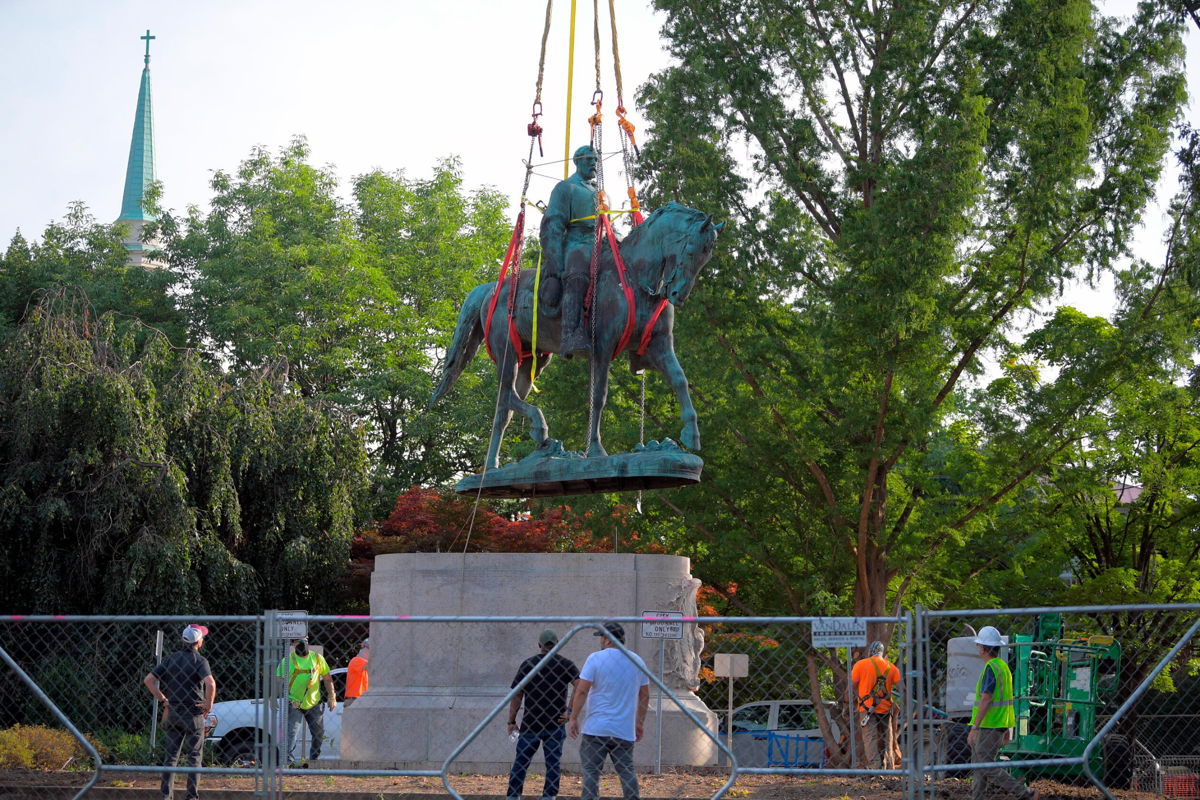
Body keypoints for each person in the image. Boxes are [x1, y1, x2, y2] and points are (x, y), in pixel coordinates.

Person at [567, 622, 649, 800]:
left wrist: (573, 717)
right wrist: (639, 721)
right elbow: (644, 695)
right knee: (626, 771)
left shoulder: (595, 659)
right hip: (623, 730)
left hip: (596, 728)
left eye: (602, 637)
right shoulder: (637, 661)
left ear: (606, 639)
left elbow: (582, 690)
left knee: (591, 772)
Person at [143, 623, 216, 800]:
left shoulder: (171, 659)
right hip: (193, 714)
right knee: (194, 757)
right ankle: (191, 797)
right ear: (198, 642)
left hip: (173, 712)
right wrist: (208, 704)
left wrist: (163, 699)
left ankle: (166, 796)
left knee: (171, 758)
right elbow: (210, 683)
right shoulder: (200, 661)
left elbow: (149, 680)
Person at [539, 144, 600, 355]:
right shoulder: (566, 188)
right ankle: (570, 334)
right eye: (589, 158)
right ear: (577, 160)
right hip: (577, 242)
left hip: (602, 242)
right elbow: (553, 226)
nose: (594, 162)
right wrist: (556, 262)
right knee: (577, 275)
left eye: (596, 159)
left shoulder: (600, 193)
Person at [505, 629, 579, 800]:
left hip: (531, 724)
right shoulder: (565, 665)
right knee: (553, 764)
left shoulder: (529, 664)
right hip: (555, 724)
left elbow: (517, 694)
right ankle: (548, 796)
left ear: (539, 645)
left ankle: (513, 795)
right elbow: (579, 685)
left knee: (521, 763)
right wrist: (569, 711)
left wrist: (511, 720)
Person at [968, 626, 1038, 800]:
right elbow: (1007, 700)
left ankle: (1025, 794)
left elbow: (986, 699)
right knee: (979, 766)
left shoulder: (991, 668)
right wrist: (1007, 728)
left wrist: (974, 727)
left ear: (983, 648)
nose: (978, 648)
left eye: (979, 646)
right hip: (998, 724)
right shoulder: (1003, 667)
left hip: (988, 725)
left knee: (985, 765)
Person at [275, 636, 337, 766]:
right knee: (291, 734)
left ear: (308, 641)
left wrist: (332, 696)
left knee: (318, 734)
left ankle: (313, 760)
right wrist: (272, 697)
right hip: (294, 703)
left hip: (314, 703)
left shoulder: (317, 658)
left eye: (303, 640)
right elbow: (278, 680)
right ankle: (287, 763)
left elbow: (327, 678)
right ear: (293, 644)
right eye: (297, 641)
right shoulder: (288, 660)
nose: (301, 643)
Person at [850, 640, 901, 769]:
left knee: (870, 738)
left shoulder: (860, 665)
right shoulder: (892, 668)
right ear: (882, 653)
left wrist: (851, 700)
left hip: (866, 709)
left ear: (870, 652)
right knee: (887, 738)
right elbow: (903, 689)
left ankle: (875, 766)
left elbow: (850, 687)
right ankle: (889, 766)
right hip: (885, 710)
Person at [345, 638, 369, 707]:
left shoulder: (364, 662)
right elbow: (371, 668)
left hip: (362, 699)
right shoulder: (357, 660)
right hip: (354, 699)